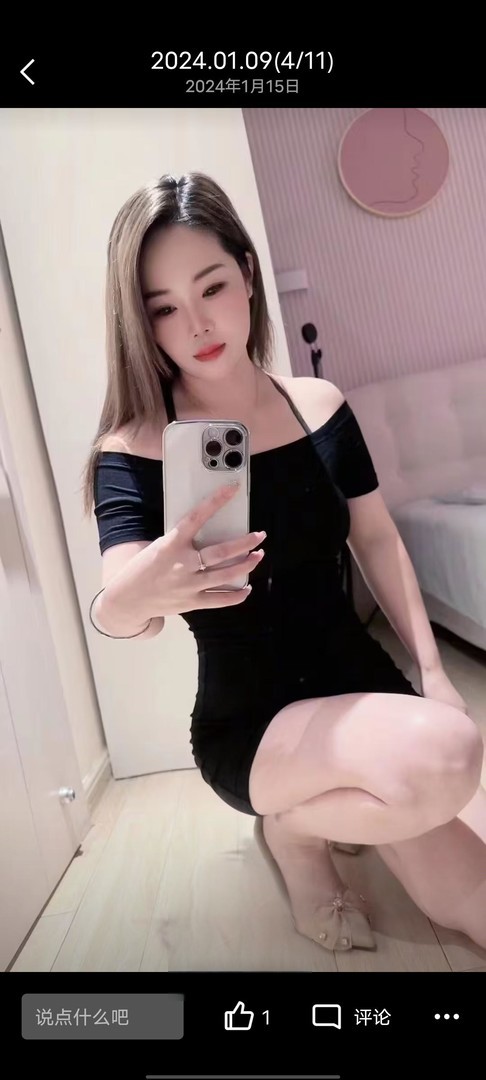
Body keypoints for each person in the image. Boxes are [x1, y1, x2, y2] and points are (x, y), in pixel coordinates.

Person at [82, 171, 486, 954]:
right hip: (253, 722)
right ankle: (295, 833)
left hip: (362, 686)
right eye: (163, 308)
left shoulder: (319, 405)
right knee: (448, 756)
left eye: (211, 287)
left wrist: (435, 674)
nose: (197, 323)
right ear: (140, 323)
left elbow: (377, 539)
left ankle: (317, 818)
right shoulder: (135, 448)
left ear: (247, 274)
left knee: (469, 892)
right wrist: (144, 589)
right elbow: (120, 608)